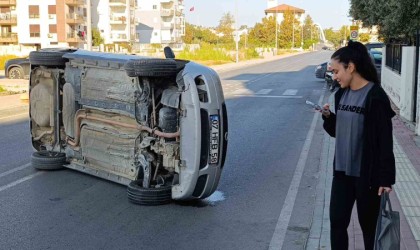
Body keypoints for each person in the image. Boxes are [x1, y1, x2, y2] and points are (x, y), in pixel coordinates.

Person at [320, 40, 396, 250]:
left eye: (336, 71)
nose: (334, 76)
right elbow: (339, 131)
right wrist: (328, 117)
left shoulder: (375, 96)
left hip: (367, 177)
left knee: (369, 230)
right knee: (337, 224)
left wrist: (386, 178)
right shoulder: (341, 94)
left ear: (350, 67)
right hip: (342, 174)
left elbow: (384, 141)